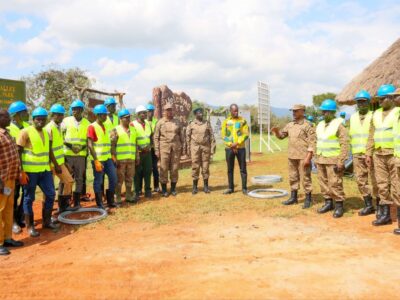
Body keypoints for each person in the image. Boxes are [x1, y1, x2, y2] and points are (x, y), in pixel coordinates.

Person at [17, 107, 59, 237]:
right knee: (29, 198)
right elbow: (18, 152)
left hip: (45, 170)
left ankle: (46, 221)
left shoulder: (47, 132)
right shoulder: (25, 132)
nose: (40, 121)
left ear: (46, 119)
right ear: (33, 119)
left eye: (43, 119)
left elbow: (49, 150)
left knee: (51, 194)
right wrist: (21, 171)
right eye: (38, 119)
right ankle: (30, 226)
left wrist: (56, 164)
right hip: (30, 172)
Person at [366, 84, 399, 226]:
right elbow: (371, 135)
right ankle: (385, 216)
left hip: (394, 154)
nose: (380, 101)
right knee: (382, 185)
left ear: (391, 98)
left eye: (383, 98)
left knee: (397, 186)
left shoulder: (398, 112)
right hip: (378, 154)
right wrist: (368, 153)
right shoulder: (376, 114)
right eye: (379, 99)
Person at [271, 104, 315, 208]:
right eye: (293, 111)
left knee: (306, 178)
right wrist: (276, 132)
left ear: (302, 111)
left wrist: (309, 157)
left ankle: (308, 199)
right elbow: (282, 136)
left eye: (296, 111)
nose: (293, 113)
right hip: (292, 156)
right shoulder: (290, 125)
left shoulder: (308, 125)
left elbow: (313, 142)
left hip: (303, 156)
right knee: (293, 177)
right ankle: (293, 197)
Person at [315, 99, 349, 218]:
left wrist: (341, 160)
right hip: (320, 159)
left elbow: (344, 144)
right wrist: (315, 157)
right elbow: (316, 142)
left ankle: (339, 205)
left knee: (335, 183)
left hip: (333, 160)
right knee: (323, 182)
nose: (324, 114)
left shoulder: (339, 125)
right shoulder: (319, 124)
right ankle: (328, 203)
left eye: (327, 111)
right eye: (323, 111)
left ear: (332, 112)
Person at [349, 90, 378, 216]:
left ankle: (380, 205)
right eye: (359, 102)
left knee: (376, 180)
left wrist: (370, 152)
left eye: (363, 102)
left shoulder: (374, 115)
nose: (361, 104)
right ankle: (368, 204)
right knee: (361, 180)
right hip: (357, 153)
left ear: (368, 102)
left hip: (372, 154)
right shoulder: (353, 117)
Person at [0, 109, 24, 255]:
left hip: (10, 178)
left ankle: (7, 238)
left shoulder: (6, 133)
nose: (9, 118)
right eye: (6, 116)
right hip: (1, 181)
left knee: (9, 209)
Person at [45, 104, 76, 213]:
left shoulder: (59, 128)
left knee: (69, 181)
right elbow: (49, 149)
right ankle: (47, 213)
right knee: (49, 190)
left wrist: (65, 163)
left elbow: (59, 148)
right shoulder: (49, 128)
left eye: (62, 115)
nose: (60, 117)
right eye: (58, 115)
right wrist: (56, 165)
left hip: (60, 162)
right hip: (50, 164)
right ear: (52, 115)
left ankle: (63, 206)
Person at [6, 101, 30, 234]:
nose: (27, 114)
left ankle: (20, 217)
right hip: (13, 168)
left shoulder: (27, 126)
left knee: (26, 193)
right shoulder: (8, 128)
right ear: (15, 115)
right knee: (13, 195)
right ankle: (13, 221)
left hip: (27, 166)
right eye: (24, 112)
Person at [87, 104, 117, 209]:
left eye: (106, 115)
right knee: (98, 181)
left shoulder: (106, 126)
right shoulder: (92, 127)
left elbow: (109, 142)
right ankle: (99, 204)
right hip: (98, 159)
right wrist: (96, 161)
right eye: (104, 115)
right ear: (98, 115)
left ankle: (110, 201)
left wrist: (112, 155)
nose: (106, 117)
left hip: (107, 158)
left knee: (113, 178)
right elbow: (90, 145)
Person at [62, 99, 90, 209]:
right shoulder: (66, 121)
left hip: (81, 155)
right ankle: (64, 203)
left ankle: (77, 203)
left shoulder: (87, 123)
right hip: (68, 155)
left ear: (82, 110)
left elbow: (89, 140)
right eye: (73, 109)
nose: (75, 111)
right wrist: (71, 146)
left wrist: (81, 148)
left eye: (77, 109)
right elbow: (60, 137)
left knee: (79, 179)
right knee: (66, 179)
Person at [154, 103, 184, 197]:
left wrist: (182, 148)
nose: (169, 111)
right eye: (167, 110)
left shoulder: (177, 122)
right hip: (164, 148)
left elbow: (181, 136)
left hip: (176, 148)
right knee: (163, 168)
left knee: (174, 168)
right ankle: (164, 190)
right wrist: (156, 150)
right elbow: (156, 137)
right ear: (164, 111)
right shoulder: (160, 122)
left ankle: (173, 188)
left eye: (171, 110)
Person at [186, 107, 216, 194]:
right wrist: (188, 149)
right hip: (195, 148)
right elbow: (187, 137)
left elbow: (211, 136)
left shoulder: (207, 123)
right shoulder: (191, 124)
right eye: (199, 113)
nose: (201, 114)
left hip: (205, 148)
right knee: (195, 166)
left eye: (202, 113)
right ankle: (195, 187)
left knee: (205, 167)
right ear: (195, 114)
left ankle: (206, 187)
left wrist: (212, 148)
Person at [221, 104, 249, 195]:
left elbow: (246, 134)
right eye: (234, 111)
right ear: (230, 111)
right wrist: (231, 145)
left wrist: (237, 143)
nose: (236, 112)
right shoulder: (226, 121)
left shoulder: (243, 121)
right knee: (230, 169)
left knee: (243, 169)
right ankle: (230, 188)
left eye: (237, 110)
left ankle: (244, 188)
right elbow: (223, 135)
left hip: (240, 148)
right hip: (229, 149)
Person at [111, 108, 137, 204]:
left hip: (131, 159)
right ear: (121, 119)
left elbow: (135, 144)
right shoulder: (115, 130)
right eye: (126, 118)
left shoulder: (133, 130)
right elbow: (112, 146)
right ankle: (117, 197)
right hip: (120, 161)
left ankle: (129, 196)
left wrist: (137, 157)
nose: (128, 119)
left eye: (129, 117)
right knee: (119, 180)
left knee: (129, 178)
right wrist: (115, 159)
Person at [132, 105, 153, 200]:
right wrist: (140, 148)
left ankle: (148, 191)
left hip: (147, 153)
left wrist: (150, 146)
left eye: (145, 112)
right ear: (137, 114)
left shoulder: (148, 124)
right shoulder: (132, 124)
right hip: (138, 153)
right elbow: (132, 139)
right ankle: (136, 192)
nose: (144, 114)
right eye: (142, 113)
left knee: (148, 171)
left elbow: (150, 136)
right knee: (137, 173)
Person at [147, 103, 160, 192]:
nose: (150, 113)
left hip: (154, 148)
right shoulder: (143, 122)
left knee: (155, 168)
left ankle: (156, 186)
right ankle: (145, 188)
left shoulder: (156, 121)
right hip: (145, 149)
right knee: (146, 169)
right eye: (149, 111)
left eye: (152, 111)